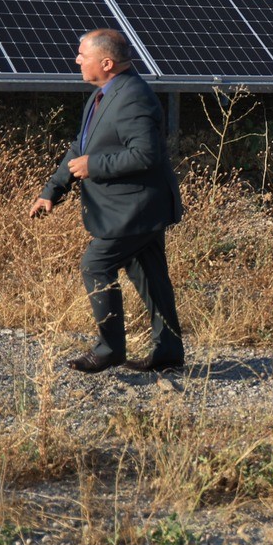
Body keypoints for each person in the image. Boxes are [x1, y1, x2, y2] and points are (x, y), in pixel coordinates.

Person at [29, 29, 186, 374]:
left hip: (137, 208)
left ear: (107, 62)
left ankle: (110, 348)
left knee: (96, 264)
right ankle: (169, 351)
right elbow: (81, 147)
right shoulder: (103, 94)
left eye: (82, 55)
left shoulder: (133, 97)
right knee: (151, 276)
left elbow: (145, 155)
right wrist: (52, 191)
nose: (76, 60)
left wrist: (93, 166)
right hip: (132, 208)